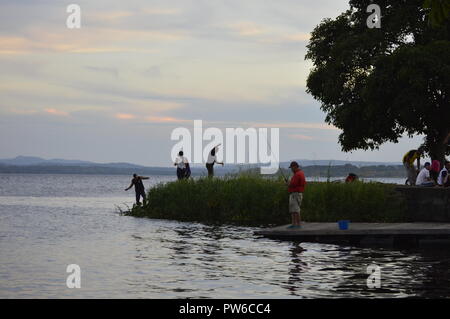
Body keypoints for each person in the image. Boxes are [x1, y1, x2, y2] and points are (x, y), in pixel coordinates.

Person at [286, 161, 306, 229]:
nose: (291, 169)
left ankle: (297, 225)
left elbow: (292, 184)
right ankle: (295, 224)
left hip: (295, 194)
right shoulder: (301, 173)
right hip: (298, 193)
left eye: (291, 167)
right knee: (294, 210)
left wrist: (288, 184)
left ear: (295, 167)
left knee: (295, 210)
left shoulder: (297, 174)